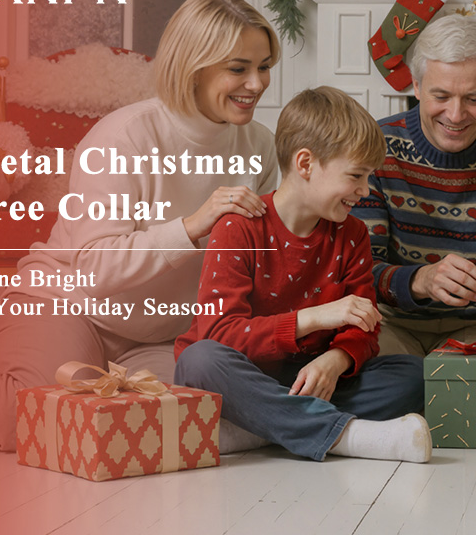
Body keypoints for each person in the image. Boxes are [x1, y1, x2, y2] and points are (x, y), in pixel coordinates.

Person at [0, 0, 280, 449]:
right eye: (239, 69)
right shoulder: (123, 136)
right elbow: (97, 269)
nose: (256, 84)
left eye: (263, 68)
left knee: (158, 426)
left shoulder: (258, 145)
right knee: (28, 413)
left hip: (160, 335)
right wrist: (191, 226)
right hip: (65, 303)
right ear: (193, 66)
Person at [173, 87, 430, 463]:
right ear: (305, 164)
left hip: (308, 381)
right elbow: (218, 333)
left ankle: (259, 427)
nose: (364, 190)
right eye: (356, 176)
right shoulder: (238, 229)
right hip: (241, 376)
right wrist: (314, 318)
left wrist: (336, 359)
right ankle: (347, 436)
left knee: (415, 374)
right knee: (199, 360)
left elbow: (365, 327)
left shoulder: (353, 234)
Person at [352, 14, 476, 357]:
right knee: (369, 374)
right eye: (441, 96)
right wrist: (421, 280)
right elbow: (358, 269)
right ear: (416, 87)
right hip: (392, 324)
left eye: (472, 99)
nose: (456, 115)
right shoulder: (375, 148)